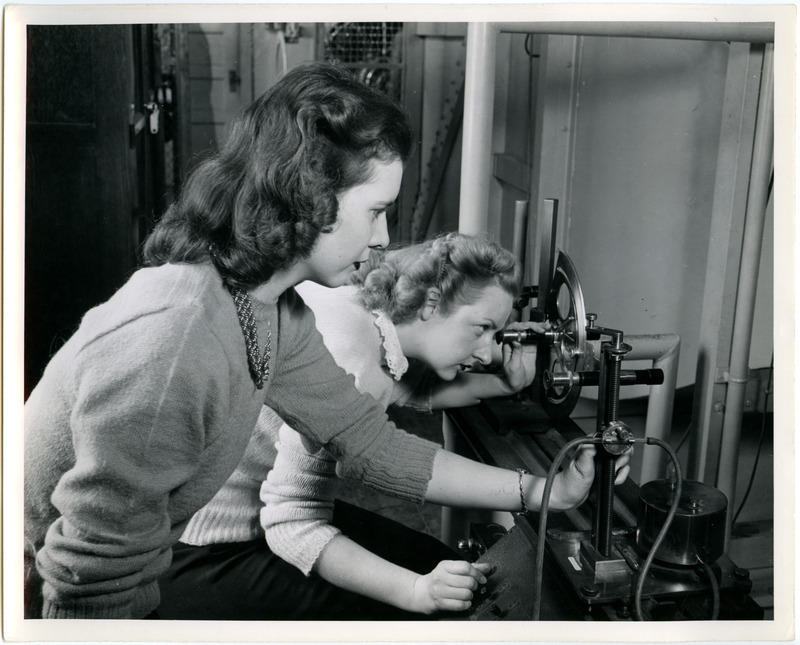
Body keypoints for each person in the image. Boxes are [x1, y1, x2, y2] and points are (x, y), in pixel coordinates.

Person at [24, 60, 432, 619]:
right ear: (309, 193)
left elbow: (367, 440)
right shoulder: (177, 337)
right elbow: (90, 581)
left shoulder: (271, 308)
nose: (384, 239)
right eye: (377, 212)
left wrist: (536, 491)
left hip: (131, 565)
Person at [157, 233, 631, 620]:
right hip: (205, 553)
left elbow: (402, 388)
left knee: (442, 567)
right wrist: (414, 593)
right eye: (481, 328)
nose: (487, 353)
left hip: (245, 519)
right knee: (433, 608)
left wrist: (501, 386)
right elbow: (292, 523)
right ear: (429, 304)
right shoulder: (348, 345)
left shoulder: (364, 318)